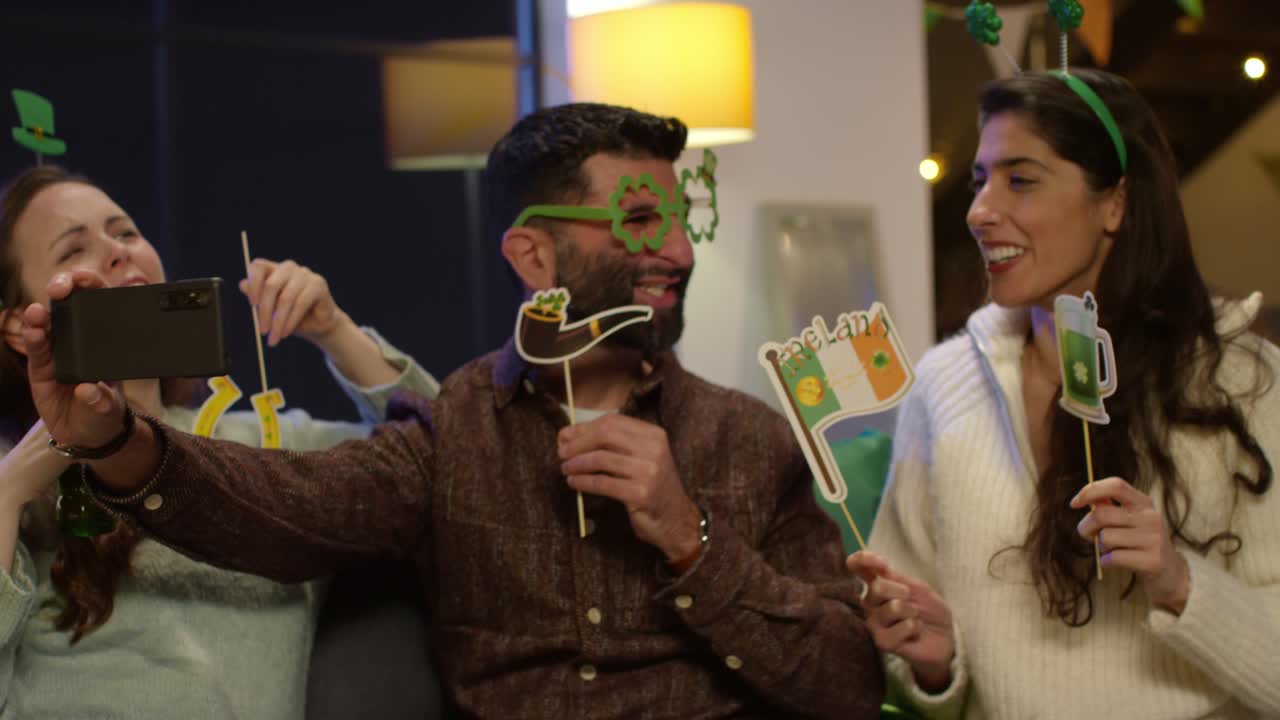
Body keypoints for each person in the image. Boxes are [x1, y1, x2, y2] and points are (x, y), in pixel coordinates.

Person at [17, 104, 886, 718]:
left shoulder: (749, 437)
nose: (675, 248)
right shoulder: (453, 432)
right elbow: (279, 503)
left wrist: (691, 537)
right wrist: (112, 440)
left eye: (678, 216)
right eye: (636, 219)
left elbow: (848, 687)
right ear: (532, 254)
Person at [847, 69, 1280, 718]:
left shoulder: (1242, 377)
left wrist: (1178, 580)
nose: (979, 212)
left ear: (1115, 203)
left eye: (1020, 179)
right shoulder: (940, 386)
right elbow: (921, 667)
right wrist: (935, 661)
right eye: (980, 180)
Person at [0, 165, 439, 719]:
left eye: (126, 233)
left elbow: (446, 457)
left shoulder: (264, 445)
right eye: (72, 251)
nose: (116, 252)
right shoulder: (12, 472)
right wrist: (19, 480)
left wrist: (335, 331)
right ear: (19, 326)